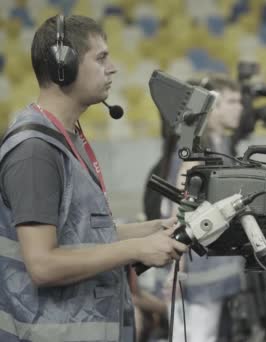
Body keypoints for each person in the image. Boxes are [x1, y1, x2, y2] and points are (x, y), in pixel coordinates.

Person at [0, 14, 187, 342]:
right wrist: (134, 249)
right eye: (100, 57)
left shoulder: (65, 138)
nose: (112, 67)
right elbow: (43, 264)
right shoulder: (35, 151)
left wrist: (149, 230)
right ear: (64, 67)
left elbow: (79, 235)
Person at [165, 74, 245, 342]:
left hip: (214, 270)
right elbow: (180, 205)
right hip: (196, 273)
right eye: (232, 101)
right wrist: (175, 269)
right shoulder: (196, 147)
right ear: (212, 108)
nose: (240, 107)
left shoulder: (224, 144)